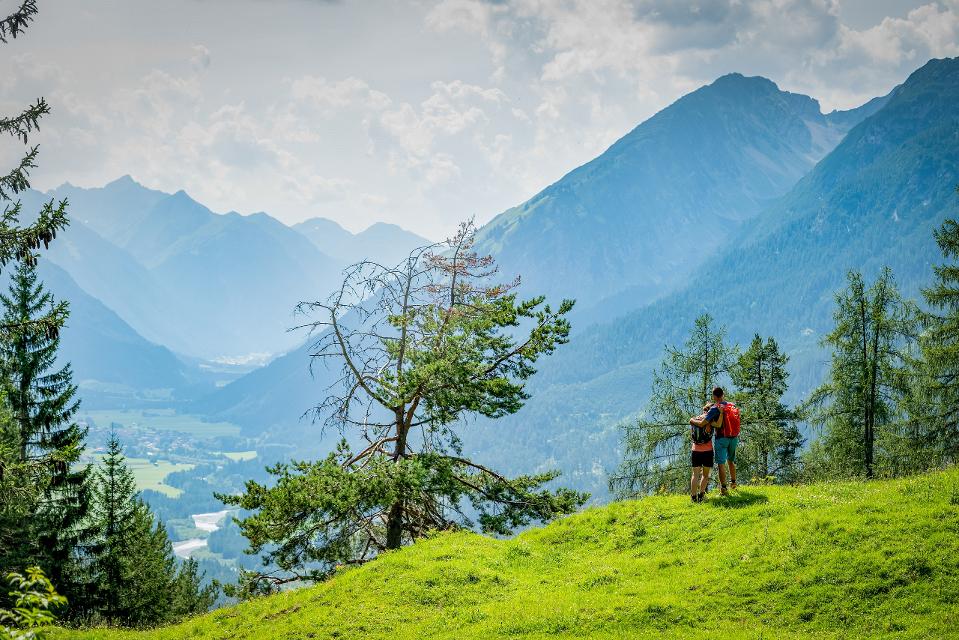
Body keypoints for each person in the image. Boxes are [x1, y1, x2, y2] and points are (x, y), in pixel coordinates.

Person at [707, 386, 738, 495]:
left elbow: (705, 420)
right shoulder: (731, 405)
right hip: (734, 438)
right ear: (723, 394)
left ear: (714, 396)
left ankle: (724, 489)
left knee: (721, 464)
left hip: (721, 439)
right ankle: (734, 483)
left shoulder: (715, 408)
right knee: (731, 461)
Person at [688, 405, 717, 503]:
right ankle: (701, 495)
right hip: (707, 451)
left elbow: (692, 435)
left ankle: (693, 497)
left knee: (695, 475)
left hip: (695, 450)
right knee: (705, 475)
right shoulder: (710, 421)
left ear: (703, 410)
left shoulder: (694, 419)